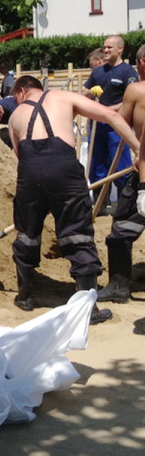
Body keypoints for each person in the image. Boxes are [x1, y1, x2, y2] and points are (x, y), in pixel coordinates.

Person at [7, 76, 140, 324]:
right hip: (64, 170)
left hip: (29, 173)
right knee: (76, 231)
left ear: (22, 91)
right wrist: (138, 149)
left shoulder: (15, 116)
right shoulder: (64, 96)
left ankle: (25, 295)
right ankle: (87, 308)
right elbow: (111, 116)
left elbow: (18, 154)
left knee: (27, 230)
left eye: (15, 97)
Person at [97, 44, 145, 303]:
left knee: (121, 228)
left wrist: (100, 109)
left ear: (142, 64)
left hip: (144, 173)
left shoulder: (136, 90)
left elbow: (120, 121)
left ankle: (118, 287)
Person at [83, 35, 139, 196]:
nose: (105, 50)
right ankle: (100, 203)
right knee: (96, 166)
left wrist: (109, 111)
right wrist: (87, 95)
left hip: (117, 127)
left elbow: (129, 100)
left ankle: (125, 203)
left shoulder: (127, 72)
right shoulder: (98, 72)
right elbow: (85, 93)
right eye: (105, 47)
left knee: (120, 165)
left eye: (109, 47)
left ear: (120, 49)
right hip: (98, 126)